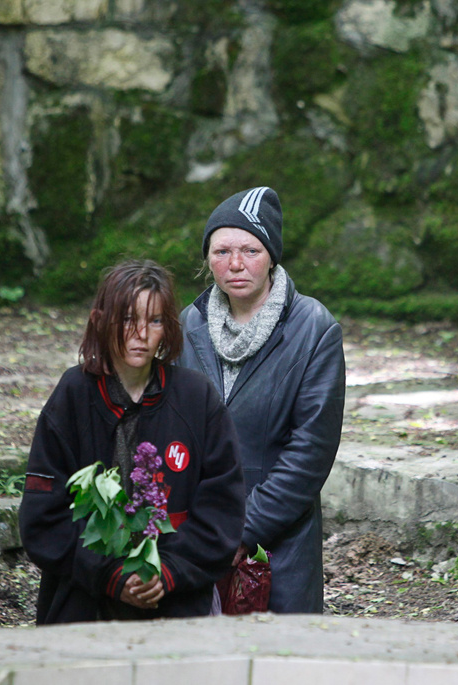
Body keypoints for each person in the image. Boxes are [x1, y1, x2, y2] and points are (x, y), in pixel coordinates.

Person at [18, 259, 245, 624]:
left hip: (179, 608)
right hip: (82, 606)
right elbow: (43, 517)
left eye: (154, 321)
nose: (141, 333)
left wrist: (166, 572)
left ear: (167, 328)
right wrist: (109, 575)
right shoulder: (73, 396)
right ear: (100, 321)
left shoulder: (196, 398)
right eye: (127, 320)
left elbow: (223, 511)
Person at [178, 186, 346, 614]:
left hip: (279, 544)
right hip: (194, 536)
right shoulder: (189, 323)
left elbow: (311, 450)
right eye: (221, 251)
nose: (235, 264)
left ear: (271, 255)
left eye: (250, 249)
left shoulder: (314, 329)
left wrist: (242, 530)